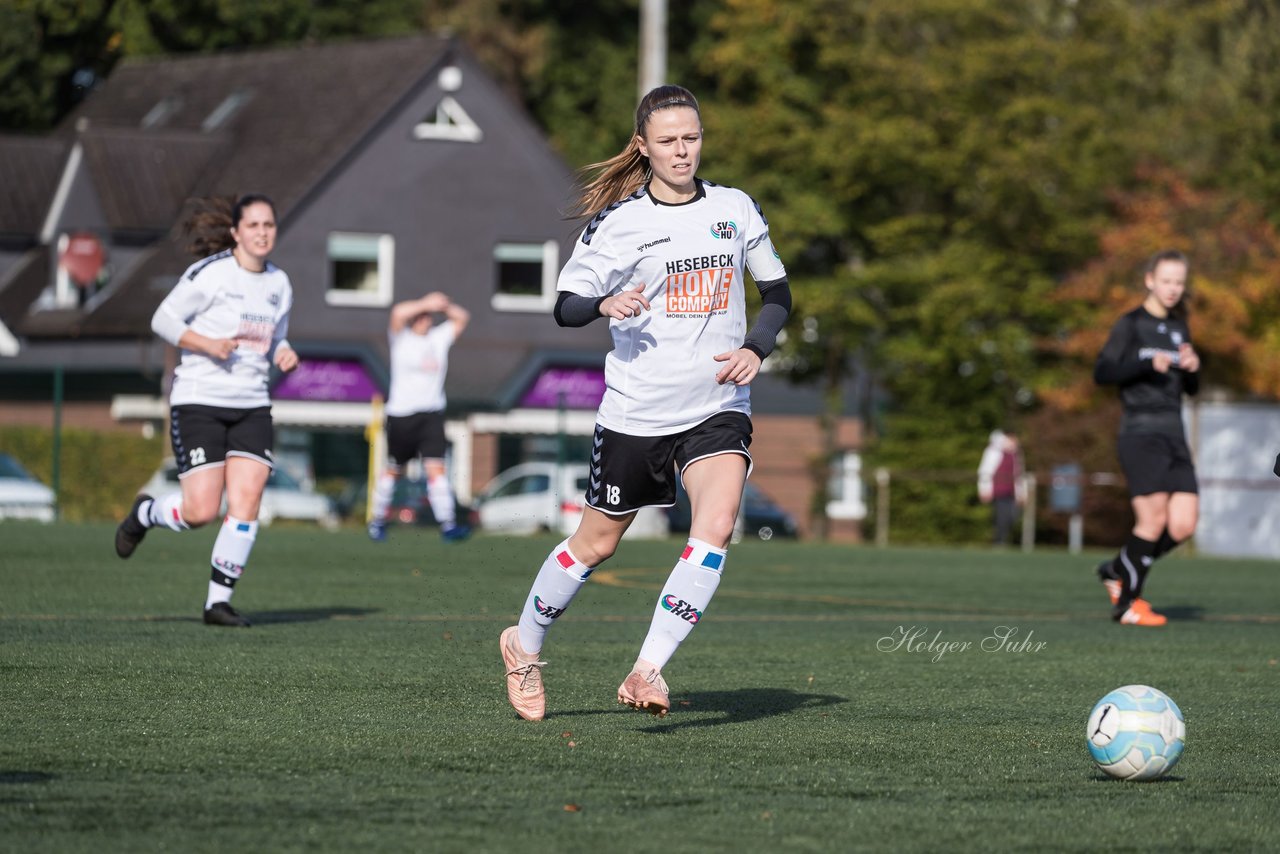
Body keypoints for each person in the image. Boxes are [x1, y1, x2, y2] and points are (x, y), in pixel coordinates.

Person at [499, 84, 792, 721]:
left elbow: (777, 293)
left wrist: (756, 348)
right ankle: (523, 645)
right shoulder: (619, 224)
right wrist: (604, 303)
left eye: (691, 137)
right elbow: (565, 305)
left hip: (719, 404)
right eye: (668, 141)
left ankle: (647, 669)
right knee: (595, 545)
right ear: (644, 147)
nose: (682, 150)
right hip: (637, 412)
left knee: (715, 526)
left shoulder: (735, 209)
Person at [114, 194, 298, 627]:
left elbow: (278, 336)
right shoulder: (211, 274)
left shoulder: (280, 284)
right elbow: (163, 321)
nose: (262, 232)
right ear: (236, 232)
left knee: (247, 499)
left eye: (268, 225)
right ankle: (144, 513)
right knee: (200, 512)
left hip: (252, 404)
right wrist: (207, 344)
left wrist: (285, 352)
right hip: (200, 400)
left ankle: (218, 603)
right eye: (253, 225)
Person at [1093, 249, 1200, 627]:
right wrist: (1143, 363)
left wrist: (1191, 368)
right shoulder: (1130, 324)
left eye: (1179, 282)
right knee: (1151, 521)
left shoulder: (1179, 326)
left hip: (1175, 433)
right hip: (1140, 432)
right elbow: (1102, 372)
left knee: (1184, 524)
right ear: (1150, 280)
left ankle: (1117, 569)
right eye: (1167, 280)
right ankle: (1128, 604)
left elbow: (1190, 388)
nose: (1173, 289)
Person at [367, 291, 471, 542]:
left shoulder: (438, 338)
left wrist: (443, 305)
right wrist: (425, 303)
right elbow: (397, 313)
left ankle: (448, 524)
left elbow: (462, 317)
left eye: (428, 317)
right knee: (394, 470)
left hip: (431, 414)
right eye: (421, 316)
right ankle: (378, 520)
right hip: (401, 415)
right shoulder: (401, 338)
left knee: (436, 469)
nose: (425, 320)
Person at [977, 430, 1025, 546]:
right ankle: (999, 541)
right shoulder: (993, 452)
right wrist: (984, 489)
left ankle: (1001, 539)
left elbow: (1019, 475)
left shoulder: (1015, 455)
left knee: (1013, 515)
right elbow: (985, 471)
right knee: (1002, 516)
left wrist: (1021, 493)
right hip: (999, 491)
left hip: (1011, 491)